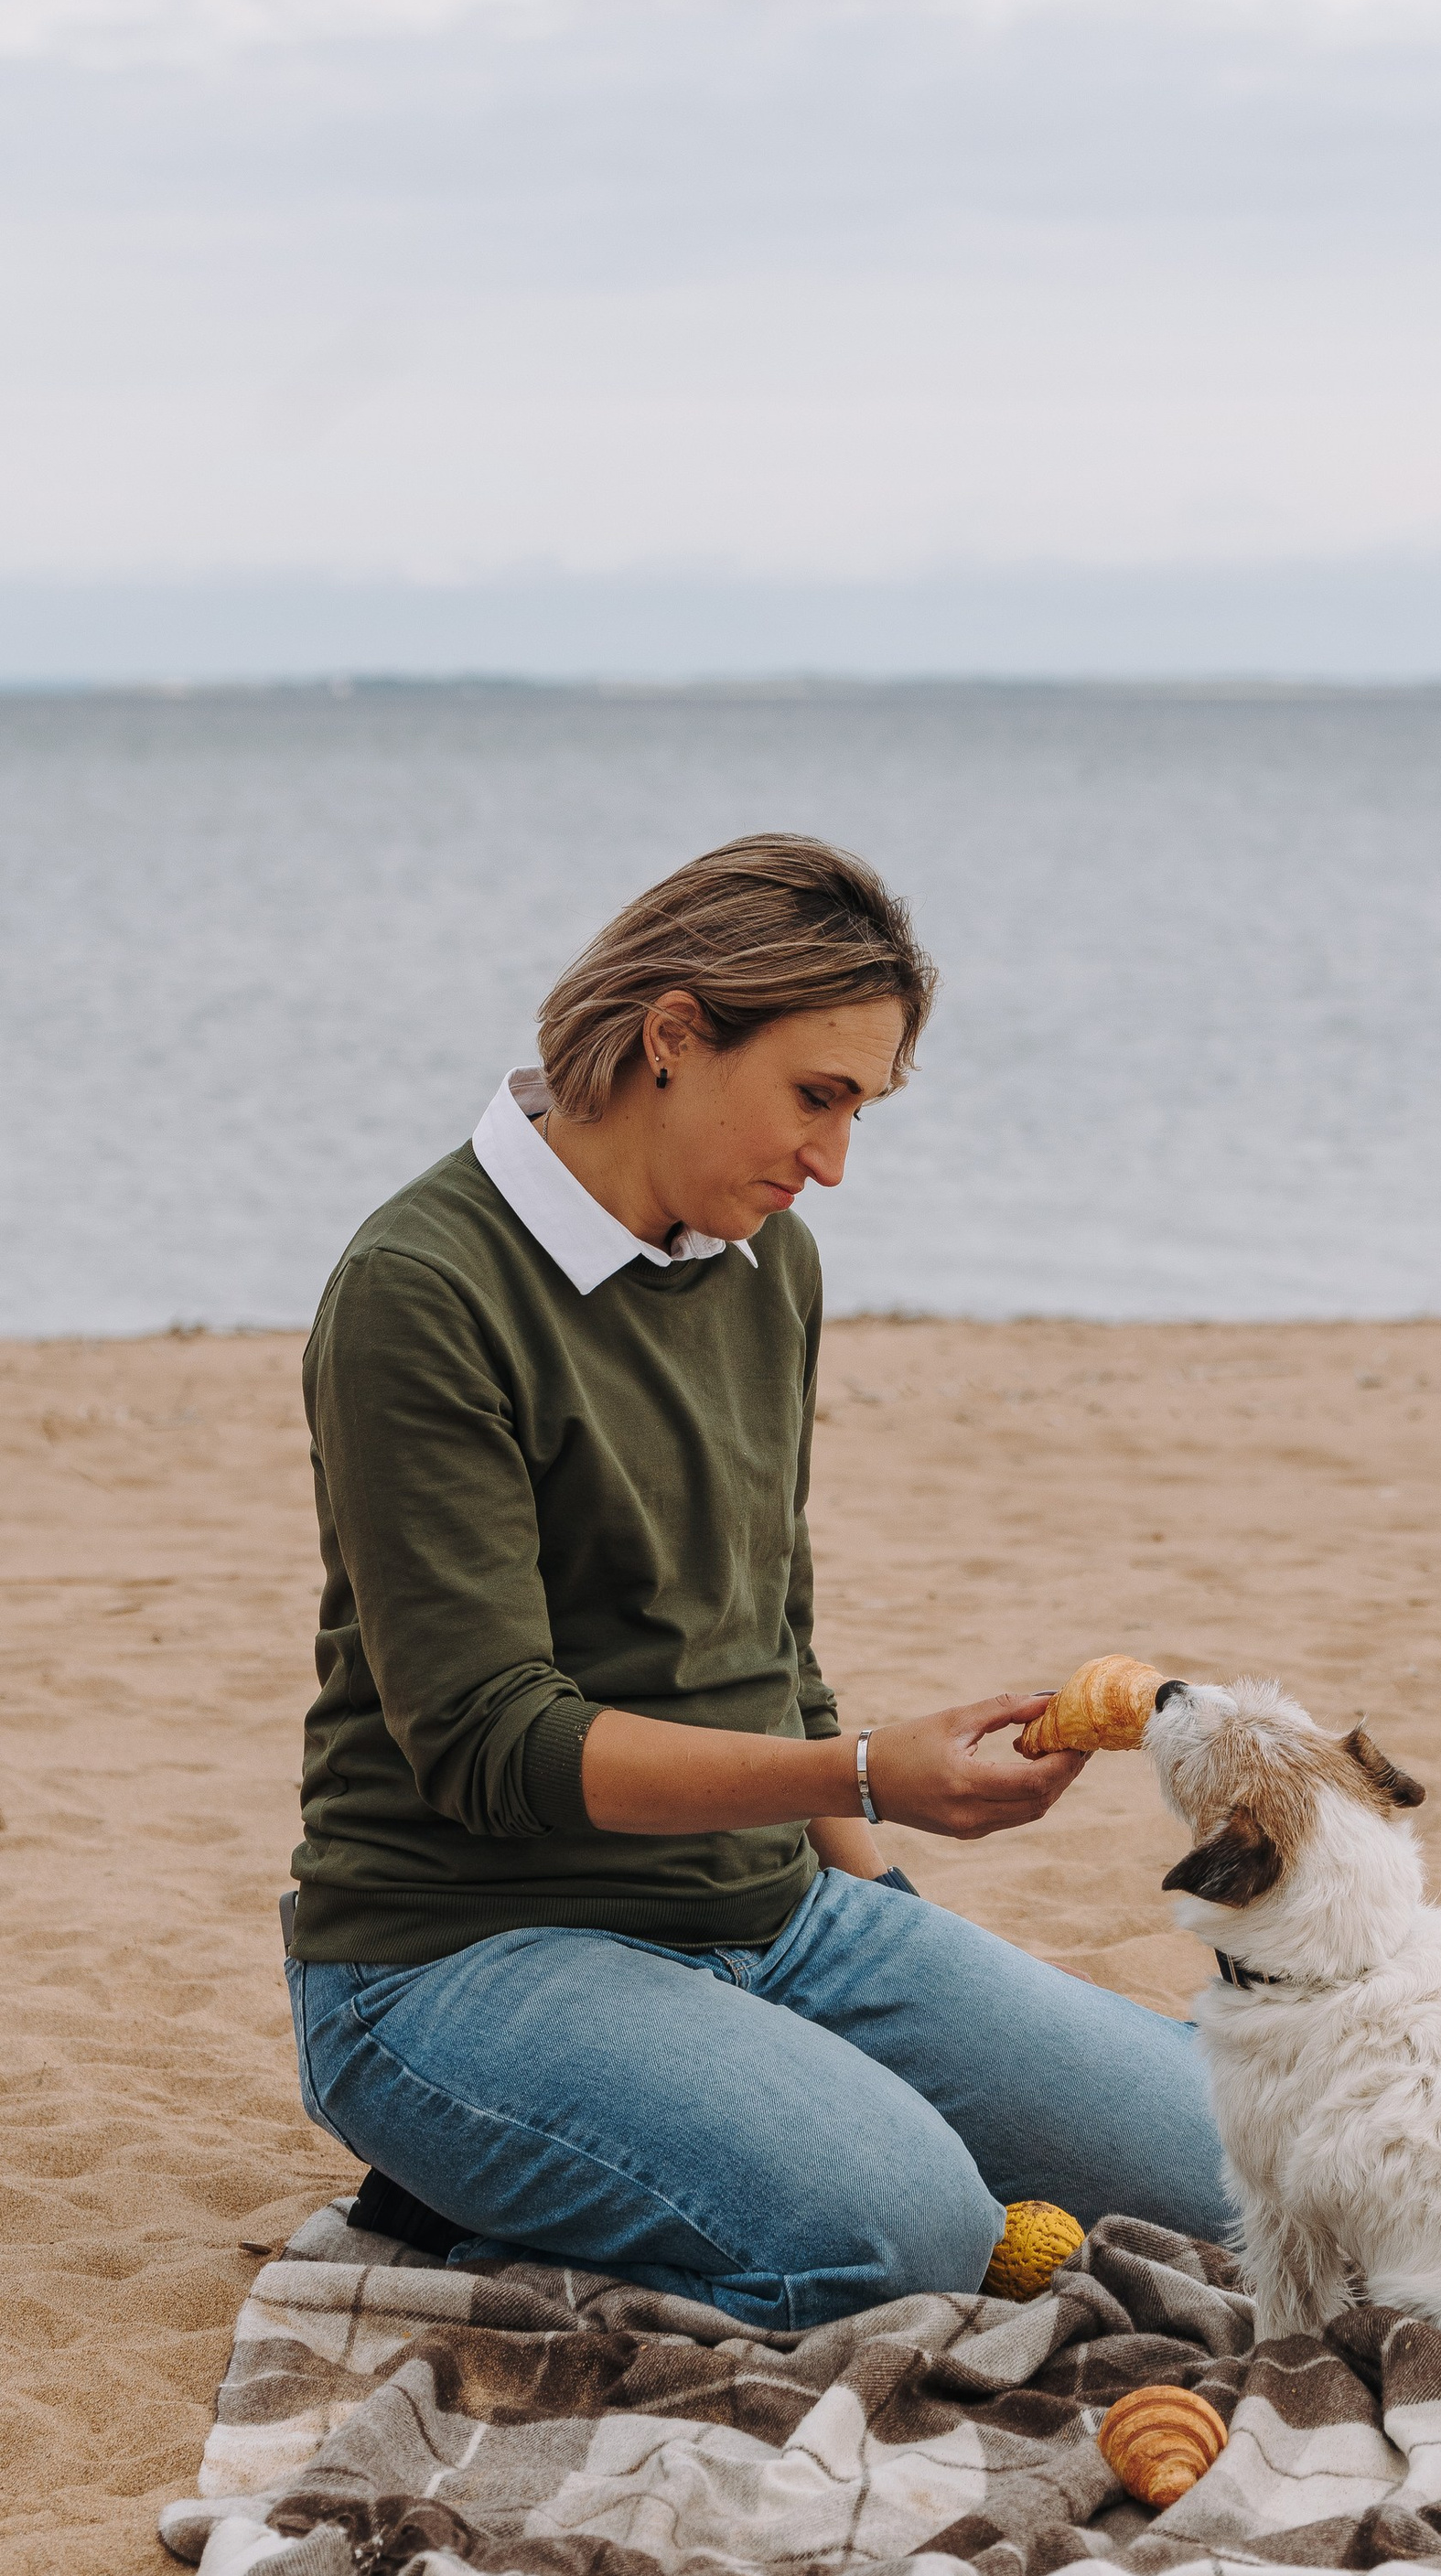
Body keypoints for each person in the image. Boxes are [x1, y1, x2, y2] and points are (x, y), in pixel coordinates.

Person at [285, 832, 1229, 2327]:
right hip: (459, 1958)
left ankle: (741, 2099)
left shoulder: (763, 1260)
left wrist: (890, 1900)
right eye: (817, 1096)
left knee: (1242, 2159)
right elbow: (490, 1743)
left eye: (859, 1107)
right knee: (906, 2233)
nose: (834, 1159)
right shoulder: (425, 1288)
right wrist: (863, 1768)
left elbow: (767, 1648)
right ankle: (448, 2189)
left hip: (773, 1913)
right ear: (673, 1035)